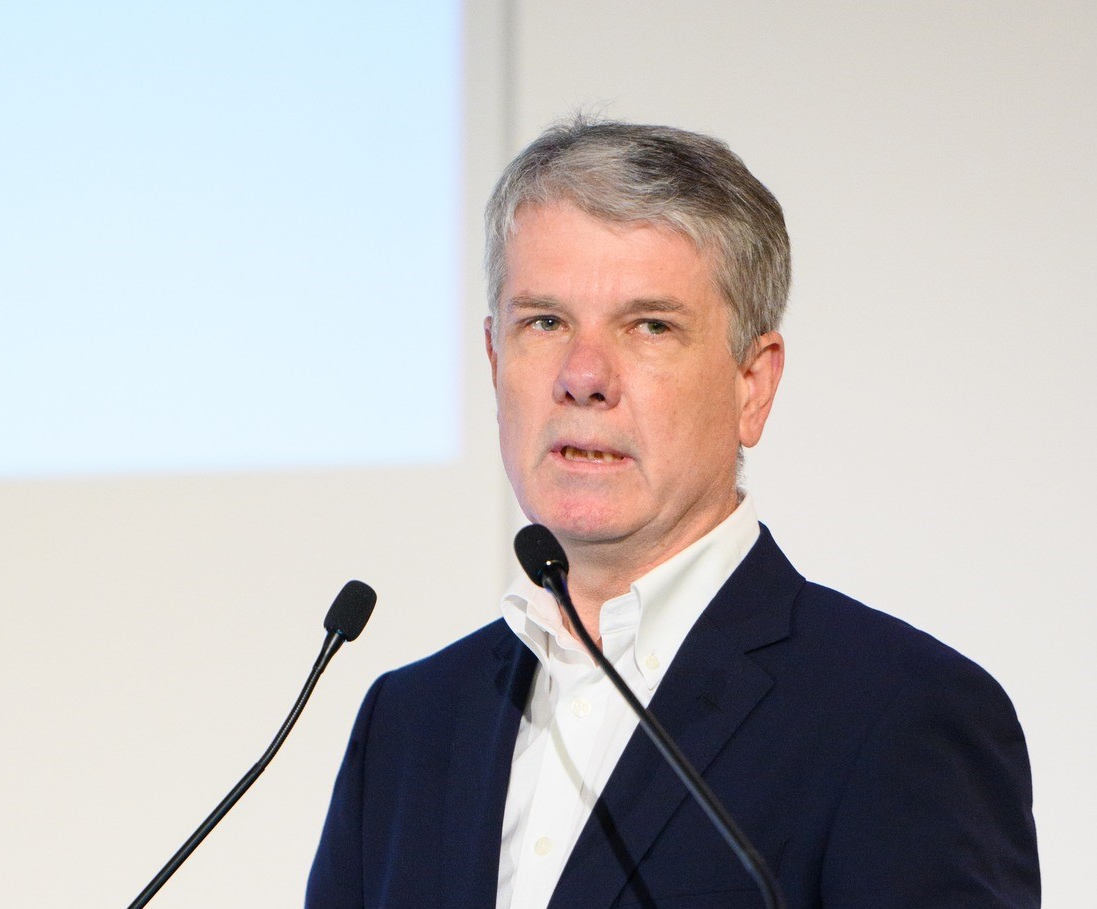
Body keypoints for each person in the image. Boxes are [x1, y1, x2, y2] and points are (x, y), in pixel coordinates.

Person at [307, 118, 1040, 908]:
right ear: (493, 361)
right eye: (545, 322)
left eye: (649, 326)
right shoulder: (409, 723)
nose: (582, 376)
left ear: (751, 385)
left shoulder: (897, 713)